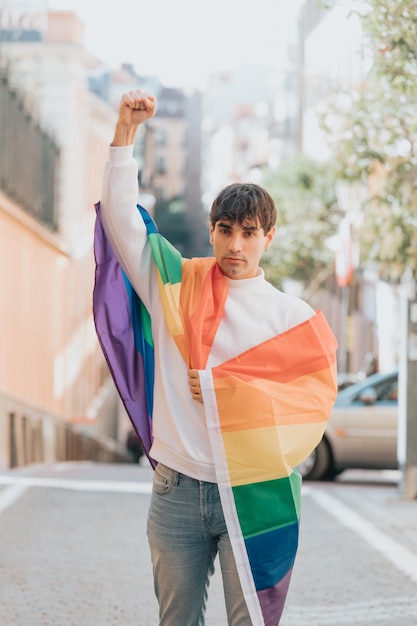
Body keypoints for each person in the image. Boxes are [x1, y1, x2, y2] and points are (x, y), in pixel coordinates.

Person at [93, 89, 338, 626]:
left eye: (249, 233)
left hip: (253, 492)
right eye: (226, 230)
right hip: (177, 486)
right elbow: (121, 221)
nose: (235, 245)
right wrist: (124, 135)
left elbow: (312, 405)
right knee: (175, 621)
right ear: (212, 229)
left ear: (268, 238)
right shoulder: (176, 287)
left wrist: (231, 390)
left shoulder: (294, 318)